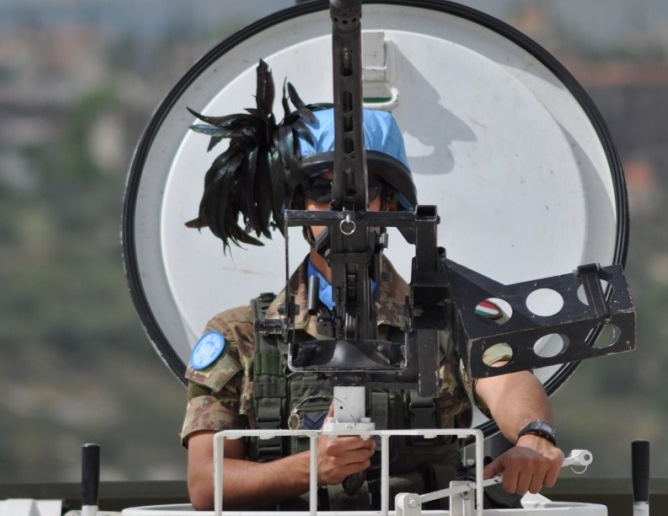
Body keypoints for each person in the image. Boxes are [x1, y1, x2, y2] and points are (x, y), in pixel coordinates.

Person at [180, 62, 564, 511]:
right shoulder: (241, 336)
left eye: (363, 192)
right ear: (298, 204)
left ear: (390, 202)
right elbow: (206, 484)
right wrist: (309, 467)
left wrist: (534, 433)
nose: (343, 211)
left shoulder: (442, 317)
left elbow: (505, 377)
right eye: (321, 192)